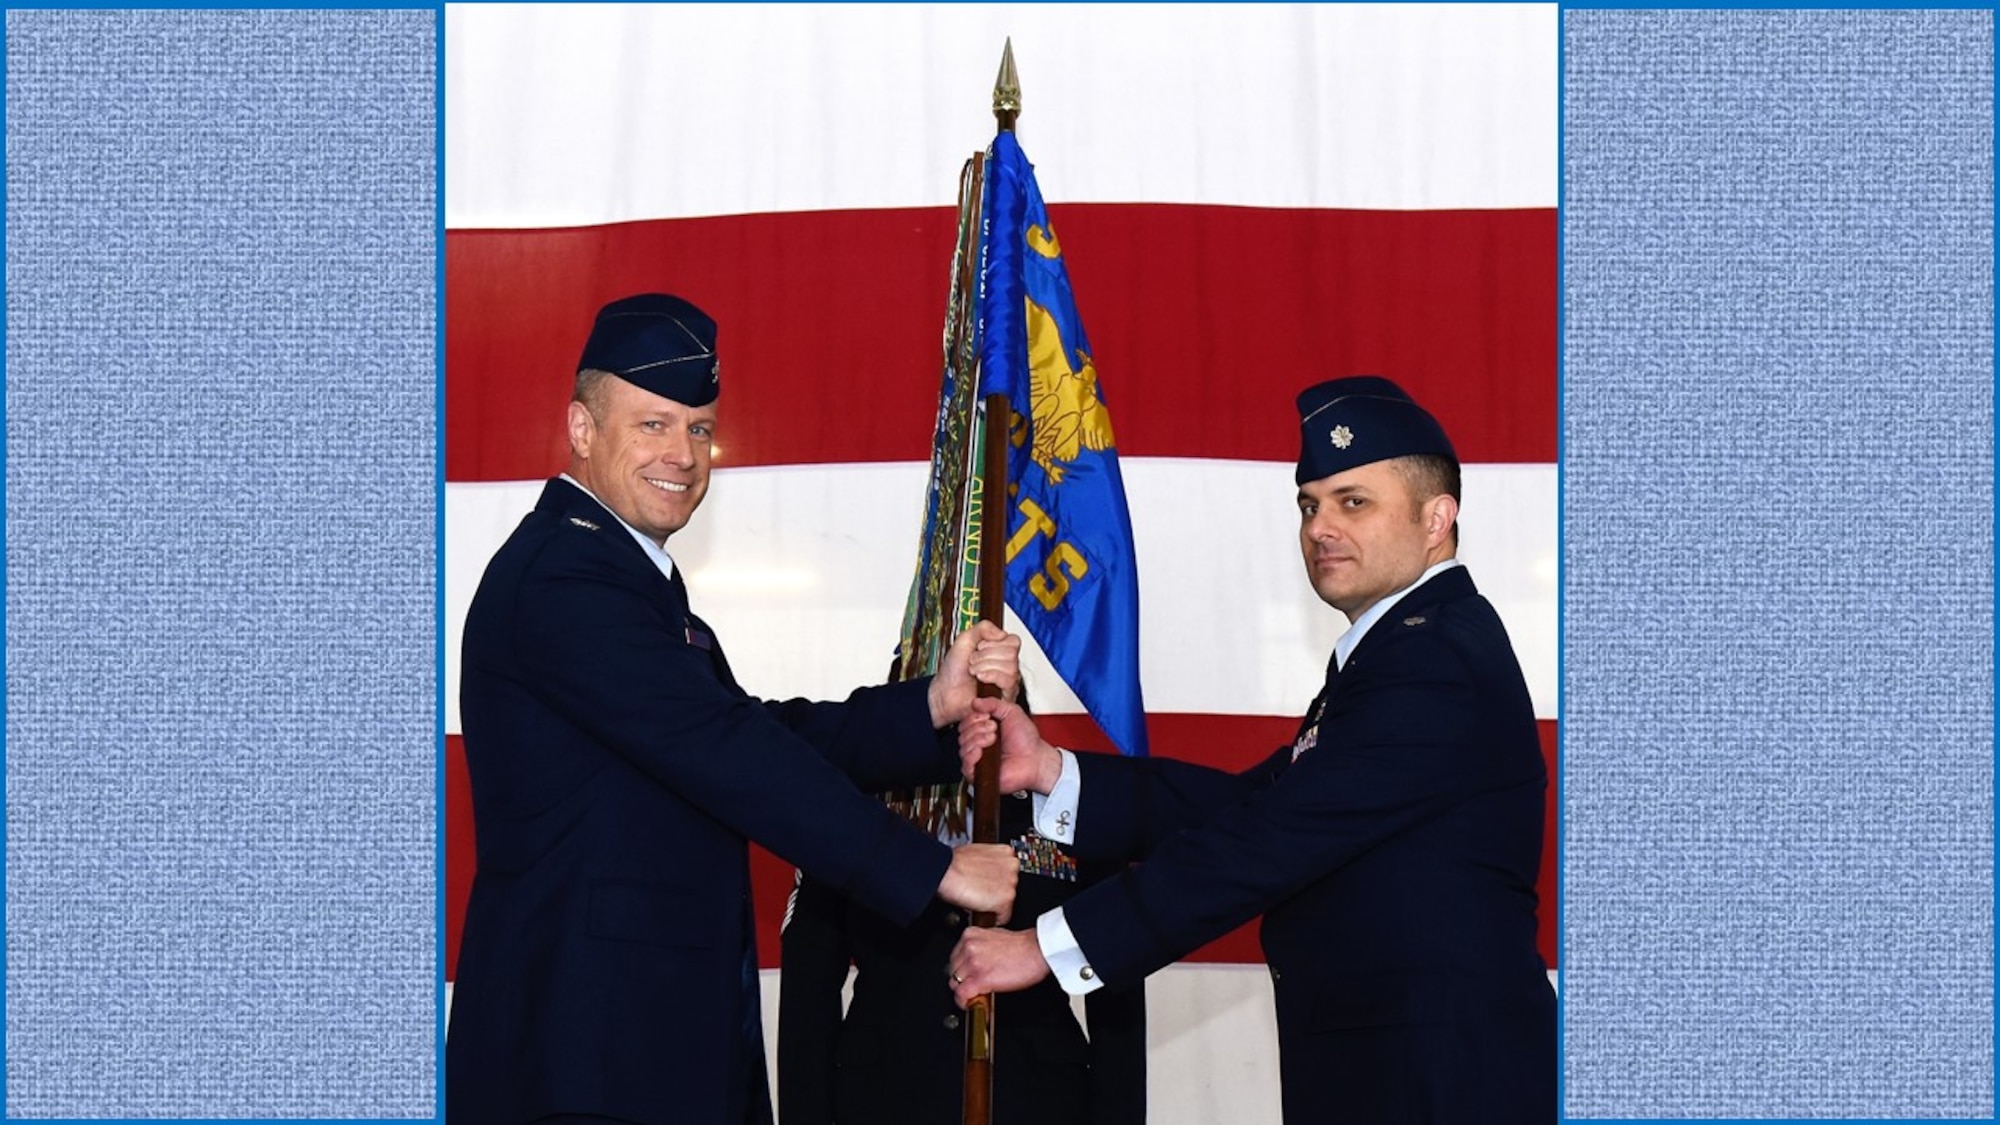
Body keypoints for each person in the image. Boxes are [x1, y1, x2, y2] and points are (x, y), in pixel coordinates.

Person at [448, 293, 1023, 1125]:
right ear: (581, 428)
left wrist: (932, 705)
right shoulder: (564, 584)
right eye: (652, 424)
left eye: (699, 428)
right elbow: (730, 752)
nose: (682, 454)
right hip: (586, 1062)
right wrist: (933, 867)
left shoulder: (625, 579)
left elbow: (755, 732)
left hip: (649, 1046)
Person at [949, 376, 1555, 1123]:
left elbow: (1264, 841)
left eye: (1353, 501)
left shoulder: (1436, 661)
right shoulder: (1401, 650)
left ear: (1438, 518)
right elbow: (1255, 804)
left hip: (1439, 1084)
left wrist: (1046, 948)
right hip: (1398, 1076)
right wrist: (1051, 770)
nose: (1321, 527)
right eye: (1310, 504)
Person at [777, 708, 1146, 1125]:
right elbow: (808, 995)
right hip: (885, 1098)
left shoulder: (1067, 808)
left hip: (1035, 1099)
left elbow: (1116, 989)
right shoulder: (855, 810)